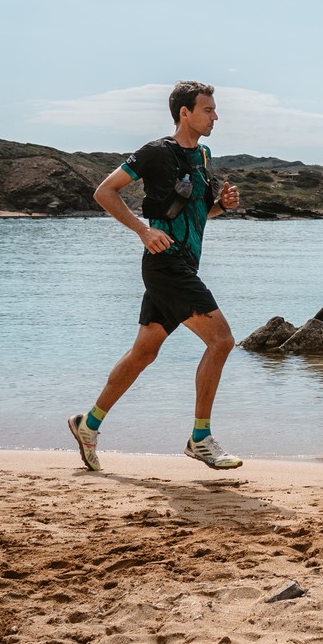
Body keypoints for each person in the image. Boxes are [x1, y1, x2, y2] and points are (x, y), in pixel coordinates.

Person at [67, 80, 244, 472]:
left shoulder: (203, 155)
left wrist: (221, 206)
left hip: (183, 264)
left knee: (144, 352)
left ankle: (87, 424)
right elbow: (104, 191)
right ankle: (200, 438)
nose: (216, 116)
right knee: (222, 341)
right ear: (185, 113)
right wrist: (142, 230)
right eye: (208, 110)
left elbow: (198, 213)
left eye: (214, 110)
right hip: (166, 265)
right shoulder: (154, 153)